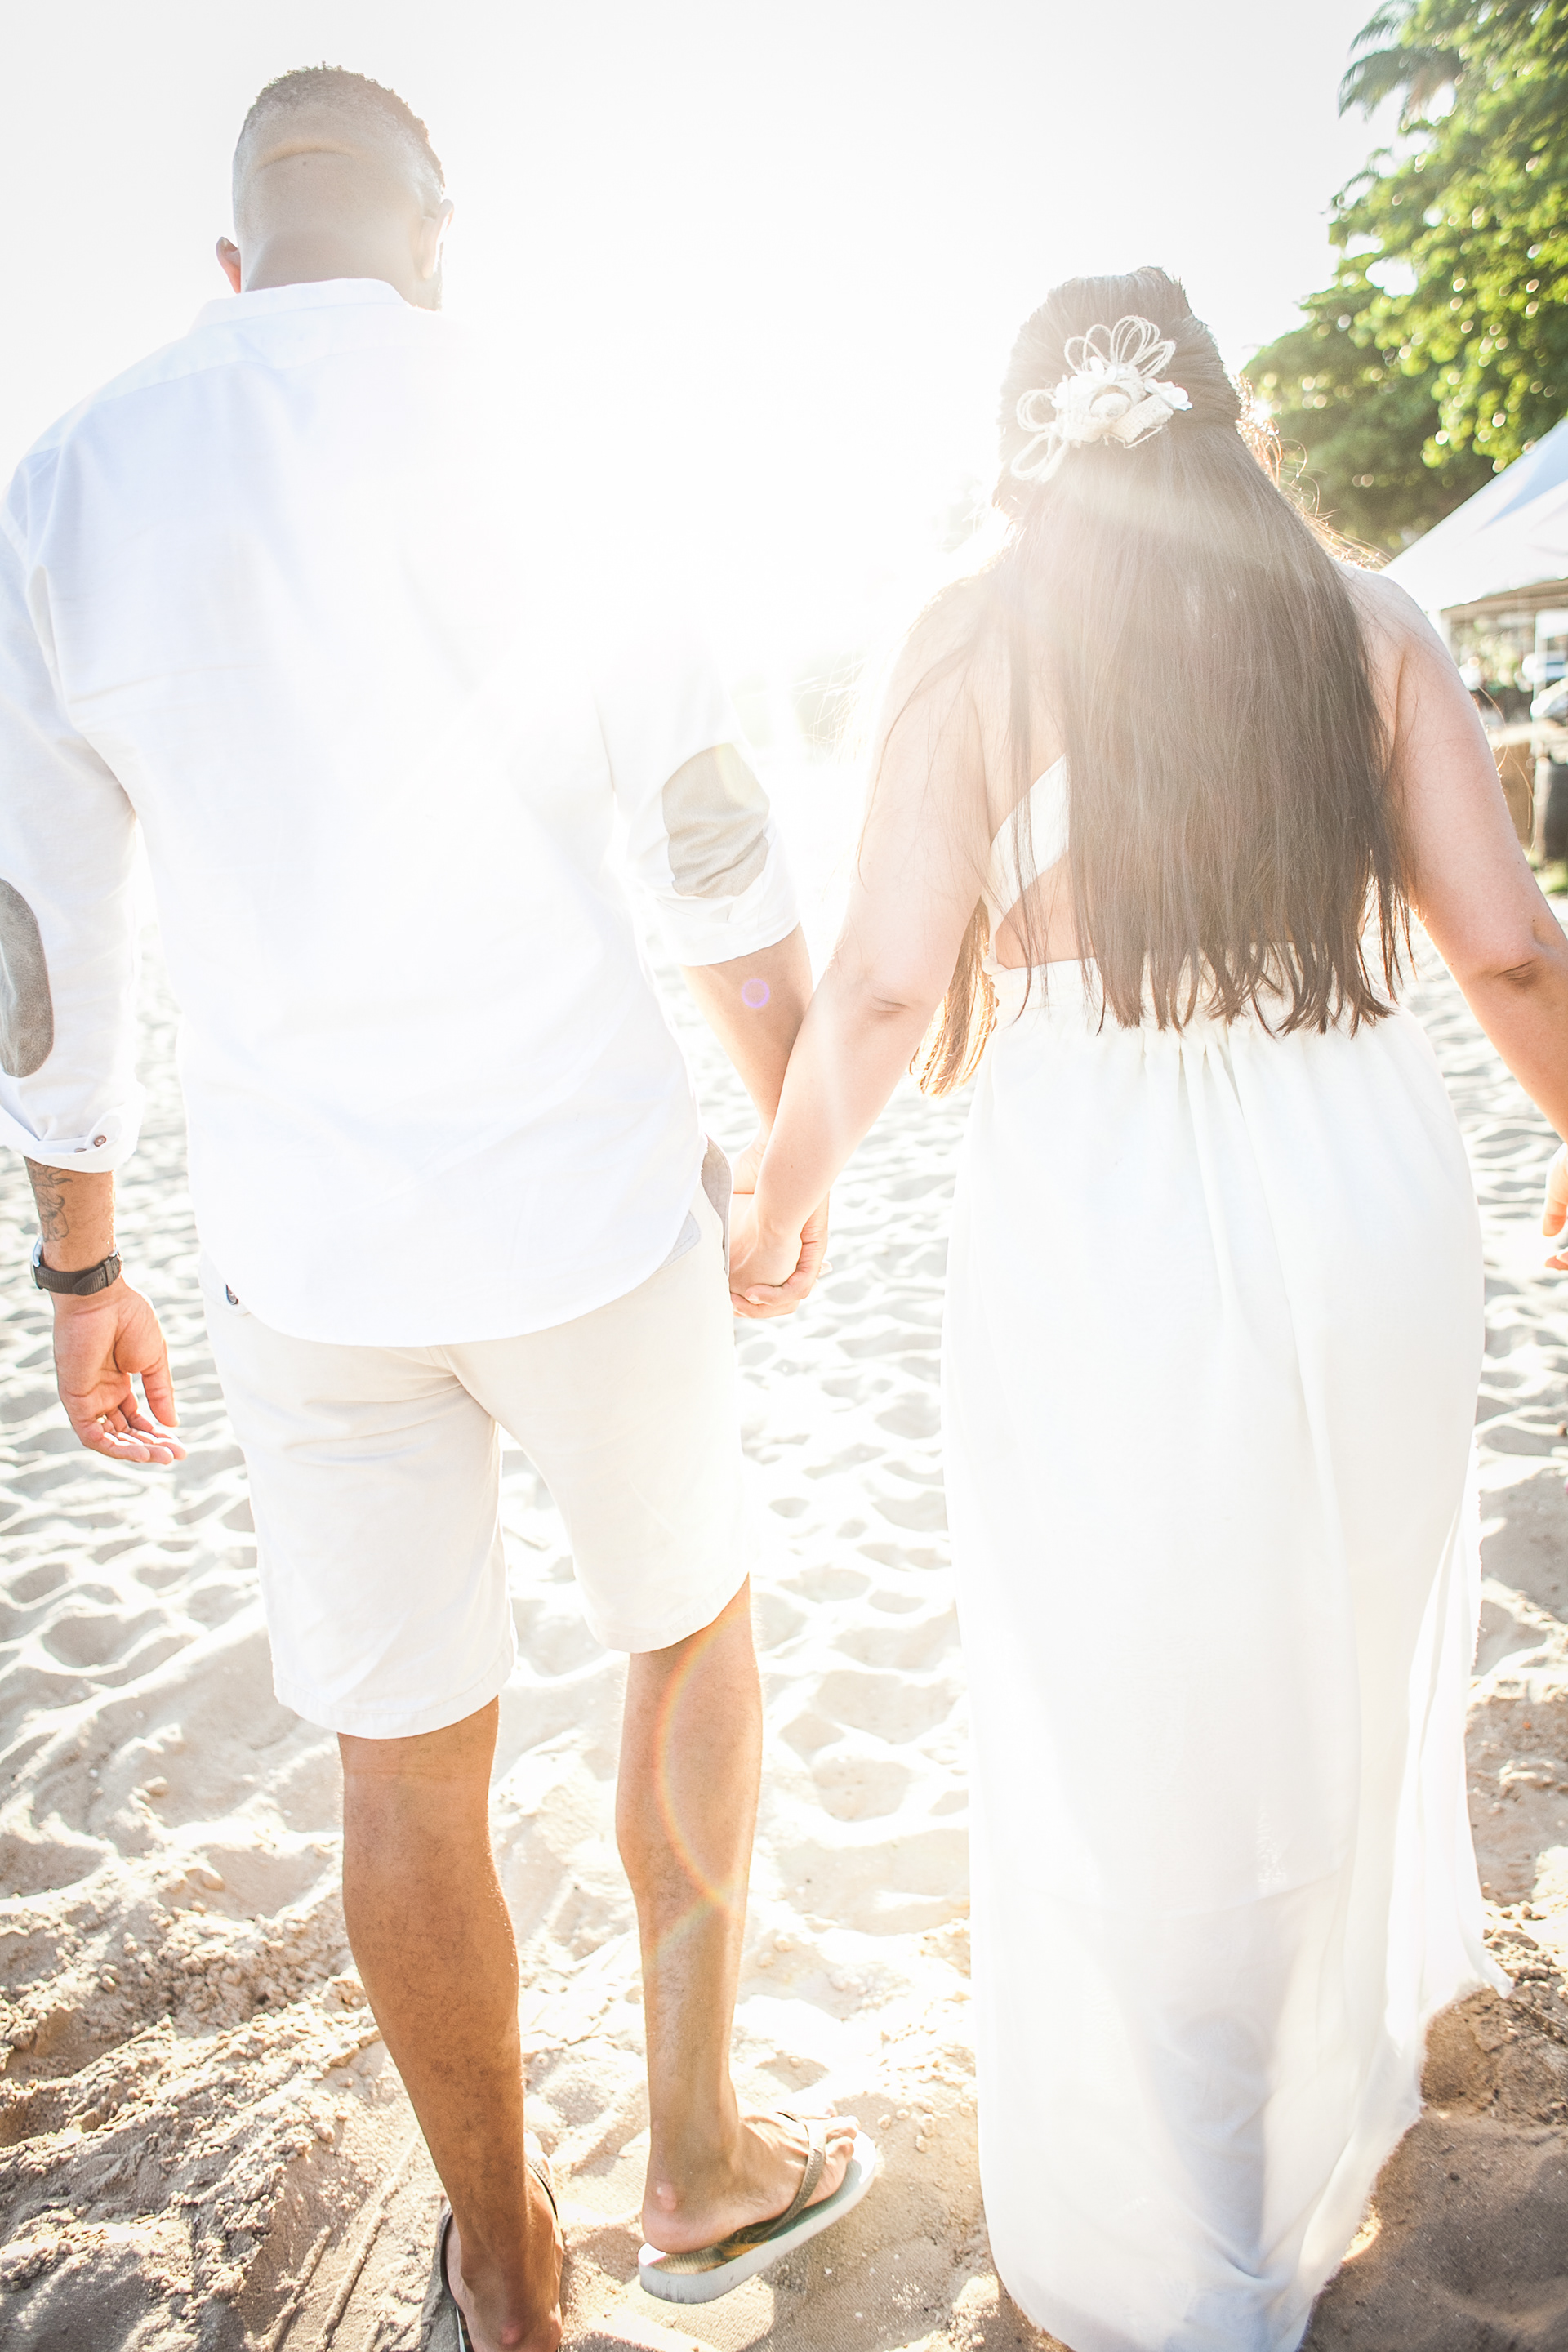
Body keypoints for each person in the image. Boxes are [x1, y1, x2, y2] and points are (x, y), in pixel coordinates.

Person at [0, 67, 873, 2352]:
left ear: (228, 263)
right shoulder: (542, 419)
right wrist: (794, 1132)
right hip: (584, 1199)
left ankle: (504, 2261)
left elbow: (44, 935)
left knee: (400, 1763)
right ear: (435, 241)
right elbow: (708, 829)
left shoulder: (70, 483)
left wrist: (80, 1260)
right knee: (688, 1628)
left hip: (308, 1255)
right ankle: (697, 2162)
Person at [729, 270, 1568, 2350]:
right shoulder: (1368, 623)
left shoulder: (969, 638)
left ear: (1025, 460)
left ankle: (1198, 2200)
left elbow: (889, 986)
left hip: (1102, 1209)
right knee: (1339, 1622)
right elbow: (1509, 951)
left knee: (1138, 1682)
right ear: (1233, 423)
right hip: (1362, 1183)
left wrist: (781, 1195)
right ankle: (1338, 2040)